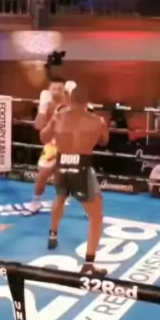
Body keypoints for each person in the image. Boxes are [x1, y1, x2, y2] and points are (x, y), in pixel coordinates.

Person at [40, 85, 109, 274]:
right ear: (87, 102)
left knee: (60, 197)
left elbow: (43, 137)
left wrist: (56, 126)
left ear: (70, 100)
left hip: (61, 165)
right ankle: (89, 264)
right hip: (81, 167)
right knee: (96, 216)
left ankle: (53, 233)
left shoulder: (58, 117)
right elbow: (104, 141)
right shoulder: (97, 121)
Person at [29, 77, 70, 213]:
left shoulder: (71, 102)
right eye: (54, 89)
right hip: (52, 144)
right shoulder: (47, 104)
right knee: (43, 174)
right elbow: (38, 126)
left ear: (64, 90)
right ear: (49, 90)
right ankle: (36, 201)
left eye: (59, 89)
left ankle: (90, 207)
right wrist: (42, 109)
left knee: (82, 177)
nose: (56, 91)